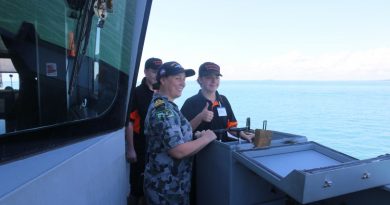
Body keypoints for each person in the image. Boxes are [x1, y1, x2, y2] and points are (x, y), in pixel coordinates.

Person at [143, 61, 217, 205]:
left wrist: (199, 118)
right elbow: (178, 151)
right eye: (177, 78)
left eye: (184, 79)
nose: (183, 83)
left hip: (173, 186)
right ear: (163, 80)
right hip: (166, 190)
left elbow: (176, 133)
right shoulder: (164, 111)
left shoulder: (166, 105)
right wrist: (207, 138)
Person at [181, 61, 254, 141]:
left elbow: (231, 128)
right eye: (209, 77)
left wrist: (245, 136)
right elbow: (181, 132)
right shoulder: (190, 103)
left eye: (217, 77)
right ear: (200, 80)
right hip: (201, 150)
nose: (214, 80)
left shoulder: (223, 100)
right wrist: (200, 117)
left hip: (224, 147)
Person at [125, 57, 162, 205]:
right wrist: (130, 149)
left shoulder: (161, 92)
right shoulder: (137, 93)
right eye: (154, 71)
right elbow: (129, 122)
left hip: (158, 148)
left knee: (154, 184)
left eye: (160, 72)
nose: (157, 75)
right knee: (138, 186)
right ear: (146, 71)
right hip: (140, 146)